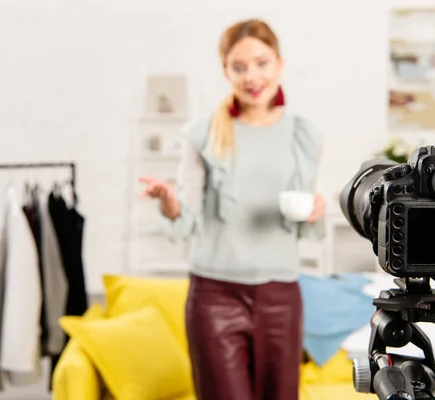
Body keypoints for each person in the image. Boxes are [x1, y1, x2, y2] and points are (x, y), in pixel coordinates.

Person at [139, 18, 325, 400]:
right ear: (226, 71)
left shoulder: (304, 135)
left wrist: (314, 211)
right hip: (214, 298)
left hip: (280, 296)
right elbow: (186, 216)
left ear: (279, 64)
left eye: (261, 62)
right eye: (238, 67)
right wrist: (168, 200)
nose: (251, 76)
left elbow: (303, 217)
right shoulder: (204, 132)